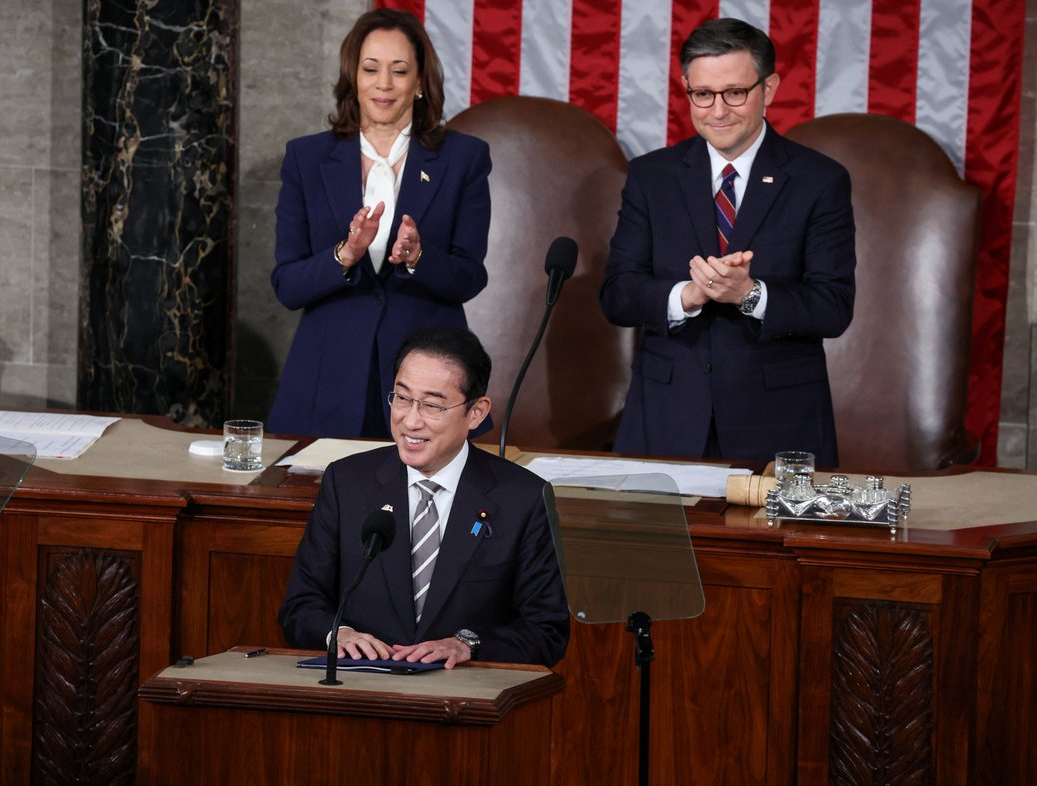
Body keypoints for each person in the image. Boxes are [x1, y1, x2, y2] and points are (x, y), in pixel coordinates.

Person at [599, 18, 855, 467]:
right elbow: (618, 295)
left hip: (778, 423)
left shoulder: (819, 180)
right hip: (666, 420)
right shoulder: (651, 176)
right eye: (702, 94)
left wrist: (749, 294)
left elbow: (833, 306)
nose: (718, 111)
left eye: (735, 93)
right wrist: (687, 296)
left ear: (768, 88)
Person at [278, 327, 569, 668]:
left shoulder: (523, 498)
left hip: (465, 687)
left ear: (476, 412)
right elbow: (300, 606)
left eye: (432, 405)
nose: (411, 421)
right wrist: (336, 633)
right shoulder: (347, 483)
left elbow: (546, 631)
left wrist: (468, 645)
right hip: (362, 680)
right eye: (402, 398)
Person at [267, 8, 492, 439]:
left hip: (425, 383)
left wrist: (419, 258)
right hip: (327, 379)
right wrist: (345, 255)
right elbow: (288, 286)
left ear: (420, 81)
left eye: (399, 70)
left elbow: (469, 277)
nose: (383, 84)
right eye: (371, 69)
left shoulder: (464, 158)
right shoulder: (306, 158)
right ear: (353, 78)